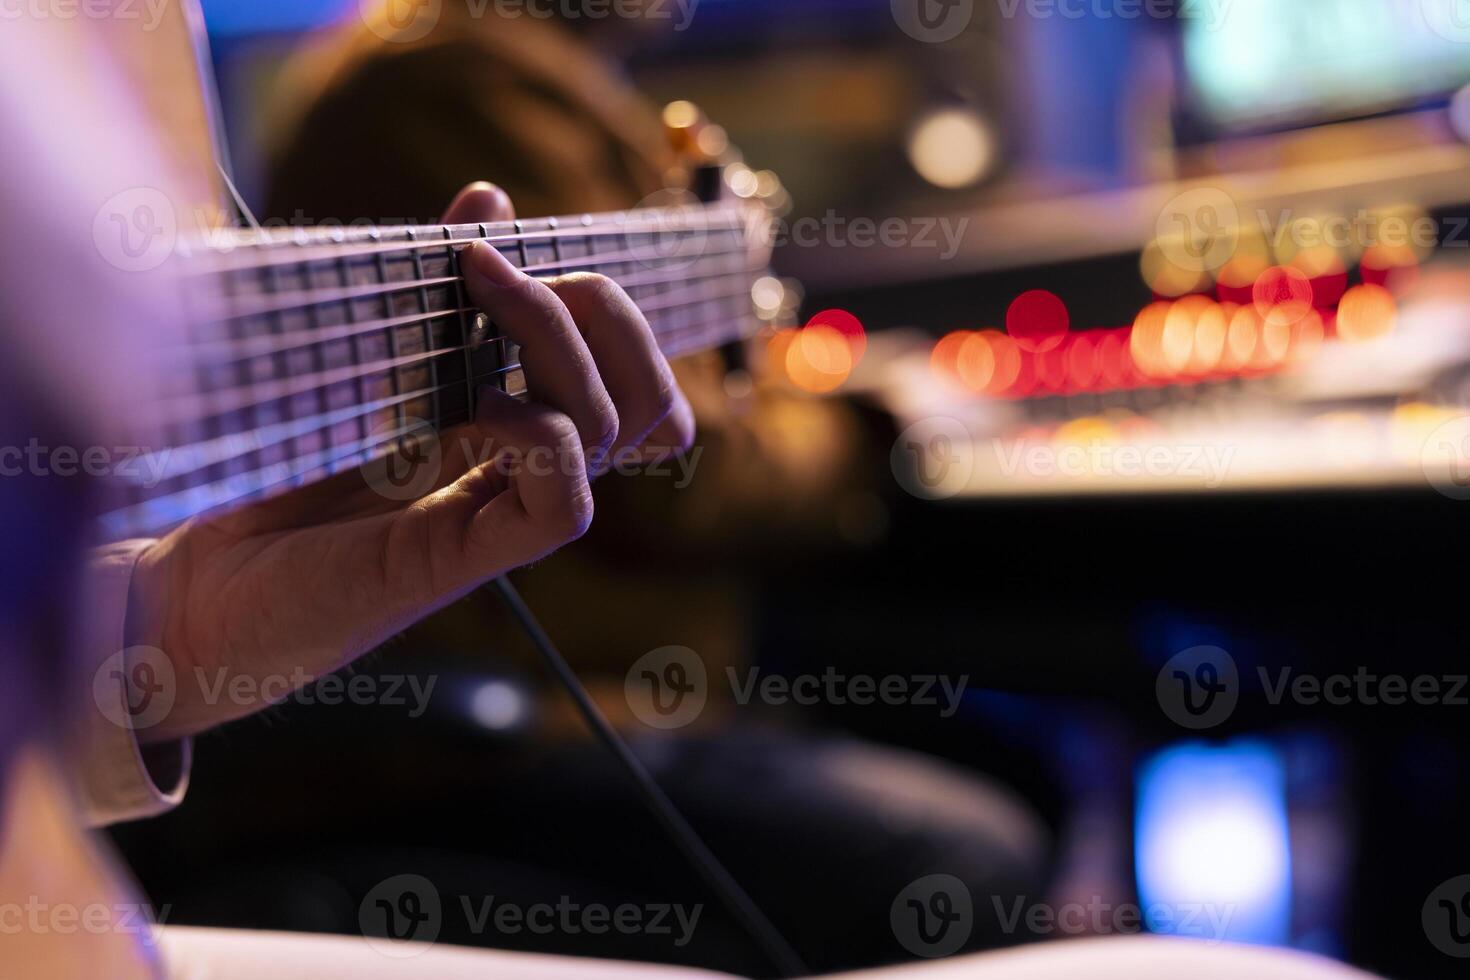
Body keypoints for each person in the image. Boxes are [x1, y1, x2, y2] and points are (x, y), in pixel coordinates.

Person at [0, 2, 1381, 978]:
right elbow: (680, 472)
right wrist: (865, 429)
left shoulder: (535, 87)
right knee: (954, 839)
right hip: (465, 737)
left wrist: (162, 637)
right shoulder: (460, 87)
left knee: (998, 758)